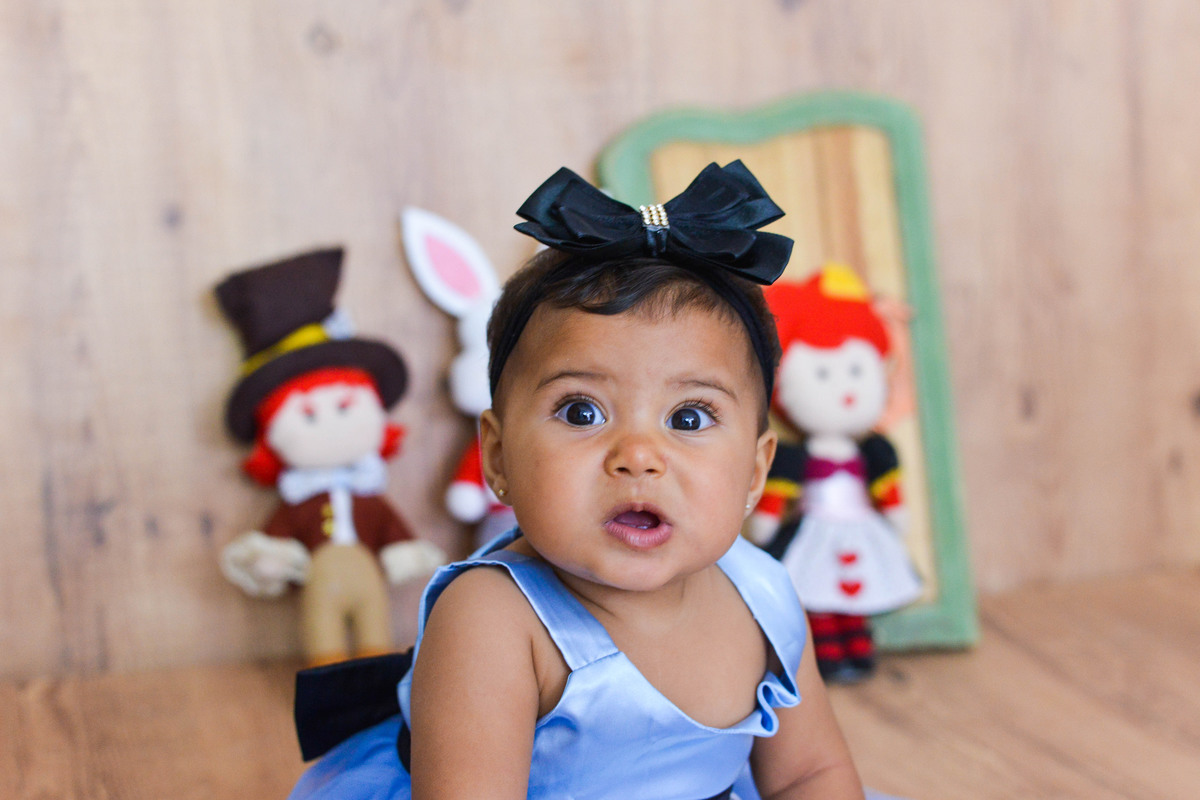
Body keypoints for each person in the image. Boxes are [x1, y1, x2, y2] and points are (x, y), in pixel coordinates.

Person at [288, 162, 865, 799]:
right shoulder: (493, 623)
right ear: (498, 458)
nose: (639, 455)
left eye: (690, 417)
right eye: (581, 411)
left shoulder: (764, 593)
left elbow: (810, 773)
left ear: (755, 472)